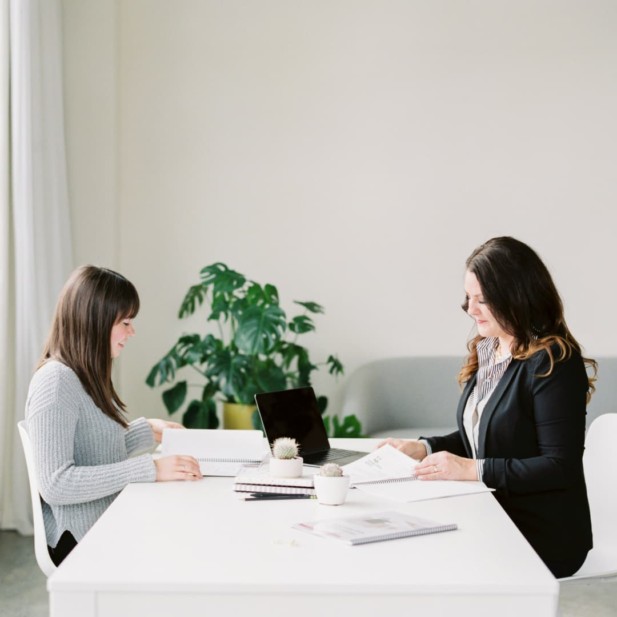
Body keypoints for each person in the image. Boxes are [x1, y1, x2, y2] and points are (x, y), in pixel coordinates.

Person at [380, 236, 595, 578]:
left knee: (424, 555)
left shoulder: (553, 362)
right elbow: (485, 438)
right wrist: (424, 447)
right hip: (494, 510)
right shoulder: (491, 348)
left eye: (483, 299)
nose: (470, 309)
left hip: (540, 532)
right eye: (468, 298)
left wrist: (471, 470)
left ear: (517, 297)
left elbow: (559, 466)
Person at [25, 265, 203, 566]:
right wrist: (150, 469)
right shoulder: (55, 382)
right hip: (84, 539)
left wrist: (146, 430)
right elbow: (55, 484)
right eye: (125, 322)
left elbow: (91, 449)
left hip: (106, 523)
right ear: (96, 322)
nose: (131, 332)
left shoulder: (79, 376)